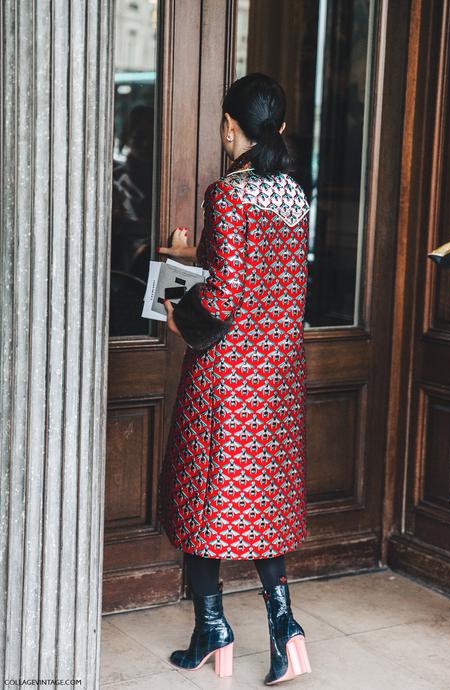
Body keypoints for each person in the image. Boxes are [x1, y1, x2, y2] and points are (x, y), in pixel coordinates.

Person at [157, 73, 312, 685]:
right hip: (277, 377)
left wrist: (176, 304)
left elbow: (222, 302)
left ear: (230, 127)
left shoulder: (230, 196)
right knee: (262, 505)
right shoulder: (295, 194)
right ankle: (283, 627)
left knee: (204, 502)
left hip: (227, 380)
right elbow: (277, 286)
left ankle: (213, 628)